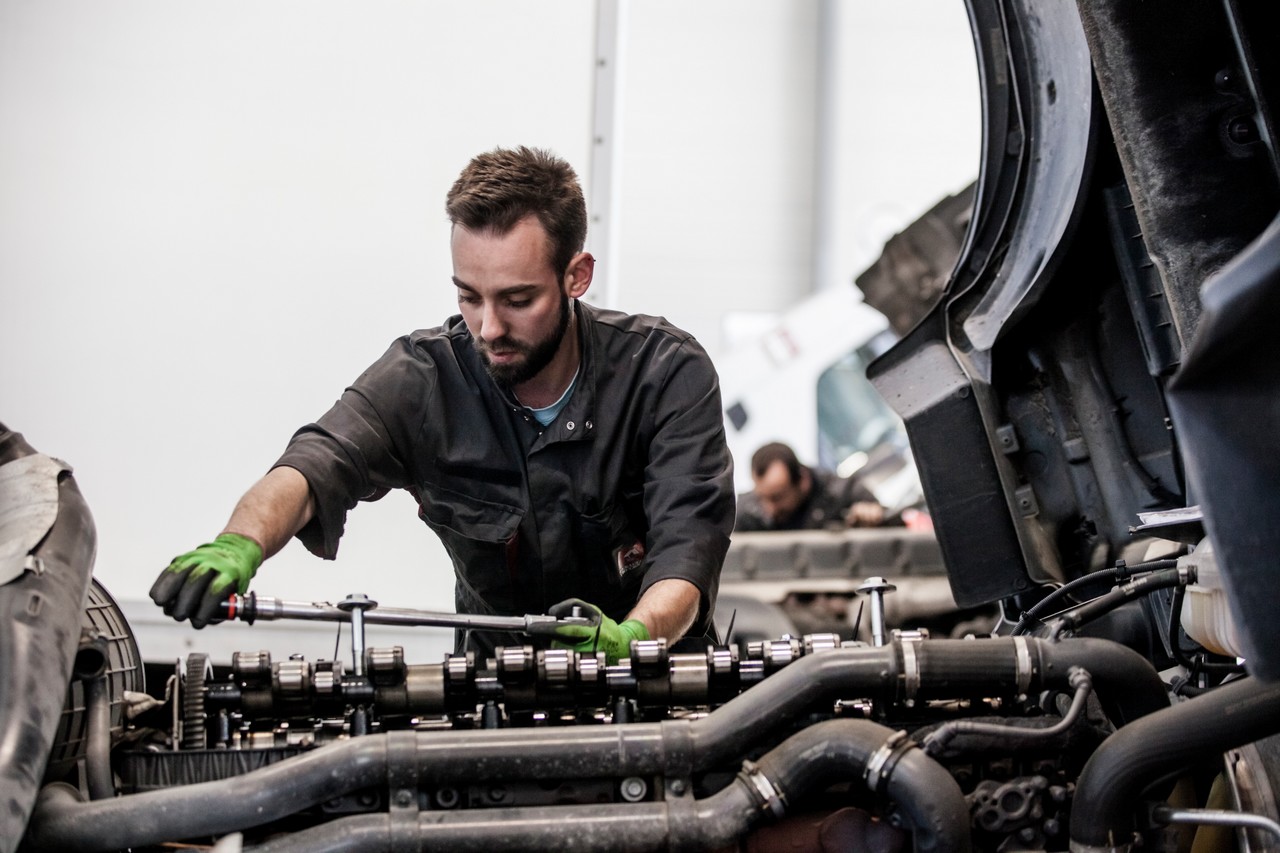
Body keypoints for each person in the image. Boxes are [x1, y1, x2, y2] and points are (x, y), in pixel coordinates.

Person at [149, 146, 735, 663]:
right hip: (494, 697)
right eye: (468, 296)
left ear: (576, 276)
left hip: (661, 690)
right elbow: (317, 461)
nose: (488, 326)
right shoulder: (424, 378)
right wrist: (240, 542)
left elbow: (687, 552)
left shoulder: (664, 374)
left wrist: (631, 638)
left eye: (518, 298)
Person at [734, 441, 887, 531]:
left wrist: (872, 517)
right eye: (762, 498)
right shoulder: (746, 517)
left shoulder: (844, 495)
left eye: (777, 497)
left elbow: (894, 525)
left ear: (803, 481)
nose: (769, 509)